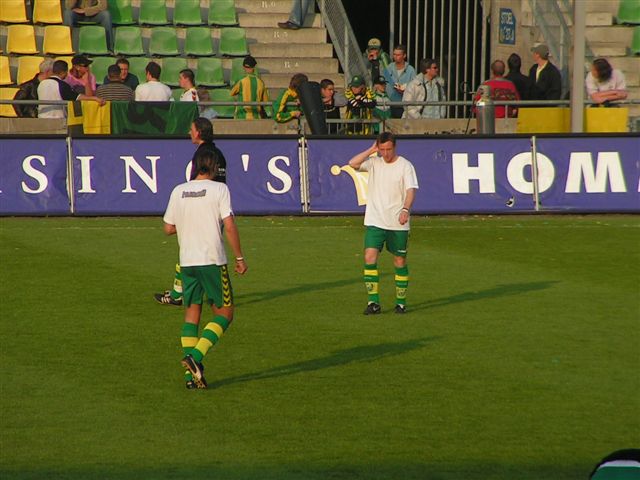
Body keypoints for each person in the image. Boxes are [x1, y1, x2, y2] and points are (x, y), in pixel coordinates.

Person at [163, 149, 247, 389]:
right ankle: (195, 357)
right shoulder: (220, 189)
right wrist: (239, 257)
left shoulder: (178, 190)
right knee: (225, 314)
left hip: (187, 262)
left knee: (192, 315)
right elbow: (229, 225)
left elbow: (168, 228)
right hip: (212, 260)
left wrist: (191, 222)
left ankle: (191, 379)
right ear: (213, 167)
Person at [155, 118, 228, 307]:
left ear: (198, 133)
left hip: (199, 209)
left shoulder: (200, 156)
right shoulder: (219, 154)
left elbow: (194, 185)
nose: (189, 132)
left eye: (191, 130)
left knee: (190, 251)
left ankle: (181, 294)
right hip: (216, 210)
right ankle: (178, 292)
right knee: (202, 252)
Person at [348, 132, 419, 315]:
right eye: (382, 149)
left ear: (394, 147)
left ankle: (401, 303)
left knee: (399, 260)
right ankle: (374, 302)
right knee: (369, 257)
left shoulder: (405, 165)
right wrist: (371, 150)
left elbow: (411, 190)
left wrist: (405, 209)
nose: (386, 153)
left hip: (397, 222)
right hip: (375, 220)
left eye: (389, 149)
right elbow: (352, 163)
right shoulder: (374, 163)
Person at [37, 59, 104, 119]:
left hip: (41, 118)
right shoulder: (61, 84)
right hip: (56, 119)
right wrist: (94, 98)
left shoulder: (41, 84)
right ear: (63, 72)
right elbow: (76, 97)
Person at [230, 55, 269, 119]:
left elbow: (232, 93)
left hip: (241, 116)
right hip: (256, 117)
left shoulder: (241, 80)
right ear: (254, 67)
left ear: (243, 67)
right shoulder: (260, 82)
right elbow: (265, 101)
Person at [383, 44, 416, 118]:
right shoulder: (388, 69)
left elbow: (415, 88)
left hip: (404, 107)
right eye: (394, 54)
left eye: (398, 55)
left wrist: (405, 90)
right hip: (389, 106)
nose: (395, 57)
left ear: (404, 56)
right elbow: (383, 85)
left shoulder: (411, 70)